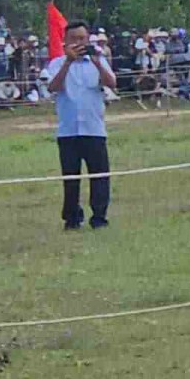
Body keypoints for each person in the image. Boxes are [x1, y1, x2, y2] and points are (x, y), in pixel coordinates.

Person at [46, 21, 116, 230]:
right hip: (68, 131)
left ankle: (99, 217)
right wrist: (67, 62)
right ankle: (72, 217)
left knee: (99, 176)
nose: (78, 43)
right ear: (65, 42)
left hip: (94, 129)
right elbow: (53, 87)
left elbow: (111, 83)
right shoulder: (57, 64)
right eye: (73, 39)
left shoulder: (99, 60)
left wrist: (97, 62)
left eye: (82, 39)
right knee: (71, 178)